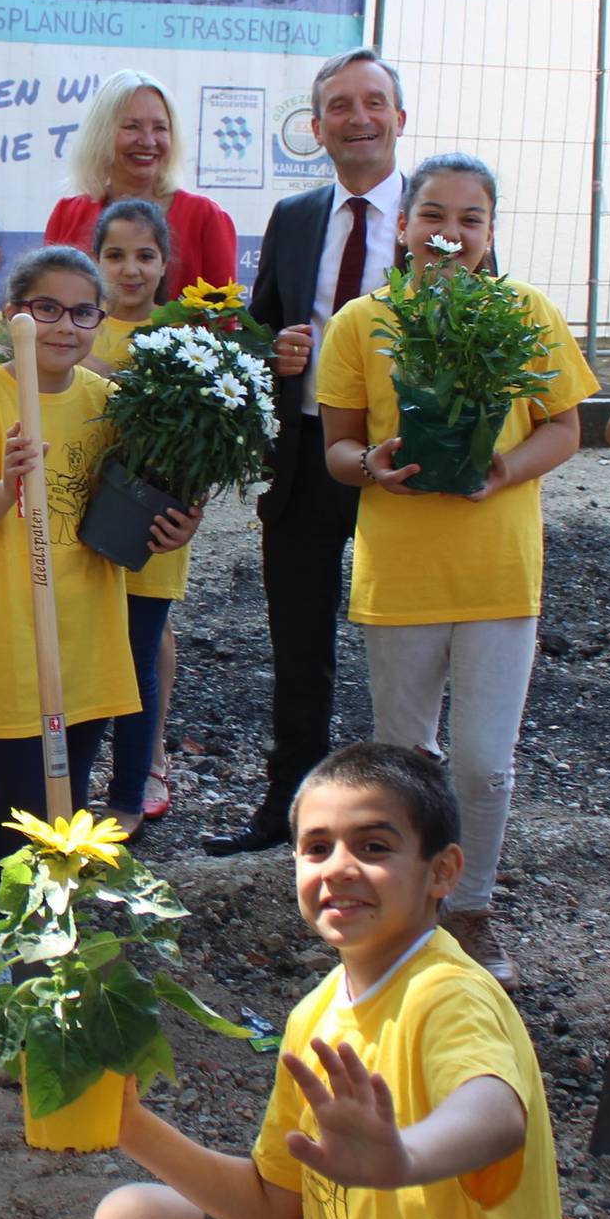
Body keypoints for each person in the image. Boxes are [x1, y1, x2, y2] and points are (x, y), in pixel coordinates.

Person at [315, 153, 595, 988]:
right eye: (433, 214)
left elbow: (566, 427)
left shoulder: (526, 313)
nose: (449, 233)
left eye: (470, 219)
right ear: (402, 226)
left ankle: (469, 903)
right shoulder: (366, 320)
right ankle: (406, 908)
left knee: (483, 760)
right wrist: (374, 463)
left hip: (497, 573)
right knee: (404, 753)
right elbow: (336, 446)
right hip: (400, 572)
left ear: (490, 231)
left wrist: (501, 470)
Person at [91, 743, 561, 1219]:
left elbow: (496, 1110)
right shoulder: (314, 1014)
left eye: (373, 846)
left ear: (442, 871)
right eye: (317, 848)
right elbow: (270, 1212)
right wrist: (129, 1125)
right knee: (134, 1218)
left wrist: (406, 1158)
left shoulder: (447, 991)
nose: (338, 868)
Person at [0, 246, 196, 979]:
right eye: (46, 308)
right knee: (20, 805)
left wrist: (179, 522)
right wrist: (9, 480)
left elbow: (137, 510)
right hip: (12, 637)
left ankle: (49, 927)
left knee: (67, 802)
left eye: (82, 311)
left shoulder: (107, 403)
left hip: (87, 635)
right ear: (15, 313)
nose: (64, 324)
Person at [205, 48, 406, 859]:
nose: (358, 118)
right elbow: (261, 330)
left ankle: (400, 818)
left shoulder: (438, 216)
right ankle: (288, 808)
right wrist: (277, 351)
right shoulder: (295, 218)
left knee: (402, 649)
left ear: (399, 117)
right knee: (299, 643)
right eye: (341, 106)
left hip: (403, 466)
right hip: (309, 455)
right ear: (316, 127)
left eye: (374, 102)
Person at [90, 199, 184, 823]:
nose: (130, 270)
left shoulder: (184, 338)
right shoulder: (77, 328)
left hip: (152, 527)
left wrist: (191, 511)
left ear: (165, 263)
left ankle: (127, 791)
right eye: (115, 255)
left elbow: (202, 445)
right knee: (84, 651)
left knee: (139, 654)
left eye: (144, 256)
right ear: (95, 260)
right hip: (81, 526)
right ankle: (74, 779)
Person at [44, 70, 237, 296]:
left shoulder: (205, 217)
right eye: (131, 126)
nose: (147, 141)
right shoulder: (67, 215)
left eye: (160, 128)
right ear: (101, 133)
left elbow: (224, 323)